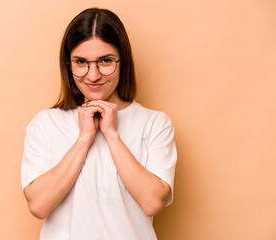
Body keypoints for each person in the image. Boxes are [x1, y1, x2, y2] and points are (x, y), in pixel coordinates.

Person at [21, 7, 177, 240]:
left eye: (105, 61)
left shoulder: (155, 124)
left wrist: (112, 135)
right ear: (68, 65)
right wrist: (84, 139)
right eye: (81, 62)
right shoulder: (45, 123)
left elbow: (152, 202)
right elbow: (38, 205)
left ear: (122, 61)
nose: (93, 75)